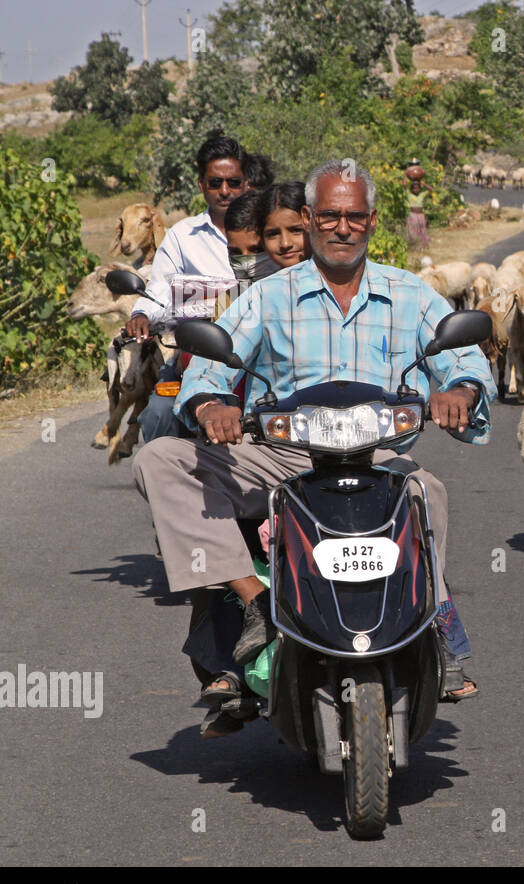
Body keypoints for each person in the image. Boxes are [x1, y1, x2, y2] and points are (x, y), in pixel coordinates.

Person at [131, 158, 495, 736]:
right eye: (329, 215)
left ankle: (431, 622)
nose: (342, 227)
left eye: (354, 216)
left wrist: (461, 389)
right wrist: (209, 405)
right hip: (285, 458)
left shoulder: (411, 294)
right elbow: (210, 370)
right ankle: (254, 602)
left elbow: (467, 359)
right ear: (309, 218)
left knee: (428, 490)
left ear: (373, 221)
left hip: (379, 458)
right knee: (160, 459)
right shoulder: (269, 297)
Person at [132, 134, 251, 444]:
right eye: (215, 183)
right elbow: (160, 286)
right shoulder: (183, 235)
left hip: (256, 357)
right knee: (159, 413)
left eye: (233, 182)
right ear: (202, 185)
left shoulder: (267, 229)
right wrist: (142, 312)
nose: (225, 191)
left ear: (247, 183)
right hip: (194, 356)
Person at [404, 159, 429, 249]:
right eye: (414, 188)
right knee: (412, 230)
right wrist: (405, 174)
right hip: (413, 215)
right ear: (412, 189)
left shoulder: (422, 195)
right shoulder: (409, 195)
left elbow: (431, 189)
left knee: (422, 229)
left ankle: (422, 245)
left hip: (420, 215)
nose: (416, 189)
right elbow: (405, 185)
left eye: (418, 188)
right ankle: (413, 244)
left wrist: (423, 182)